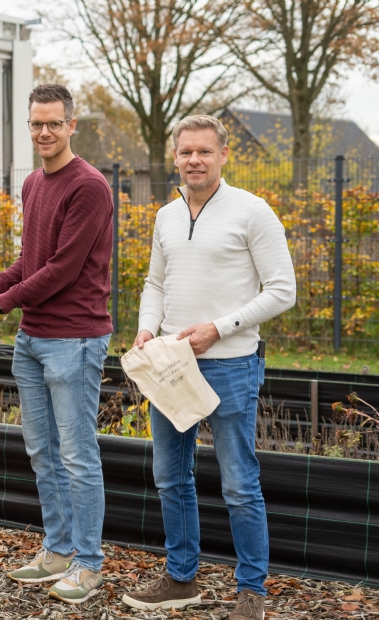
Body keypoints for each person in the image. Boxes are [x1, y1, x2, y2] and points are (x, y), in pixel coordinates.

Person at [120, 115, 295, 620]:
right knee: (170, 477)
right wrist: (147, 327)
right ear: (174, 157)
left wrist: (219, 327)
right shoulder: (166, 216)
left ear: (223, 154)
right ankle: (180, 578)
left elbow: (282, 290)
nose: (193, 160)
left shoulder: (253, 212)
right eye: (185, 152)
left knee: (240, 482)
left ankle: (251, 591)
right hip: (169, 367)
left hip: (231, 366)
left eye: (204, 151)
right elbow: (156, 283)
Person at [0, 84, 113, 604]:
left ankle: (89, 563)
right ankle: (57, 548)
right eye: (35, 124)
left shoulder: (89, 187)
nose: (44, 132)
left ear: (72, 125)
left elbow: (64, 270)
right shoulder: (32, 183)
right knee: (42, 451)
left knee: (77, 454)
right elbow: (32, 260)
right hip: (33, 338)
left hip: (75, 339)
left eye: (53, 123)